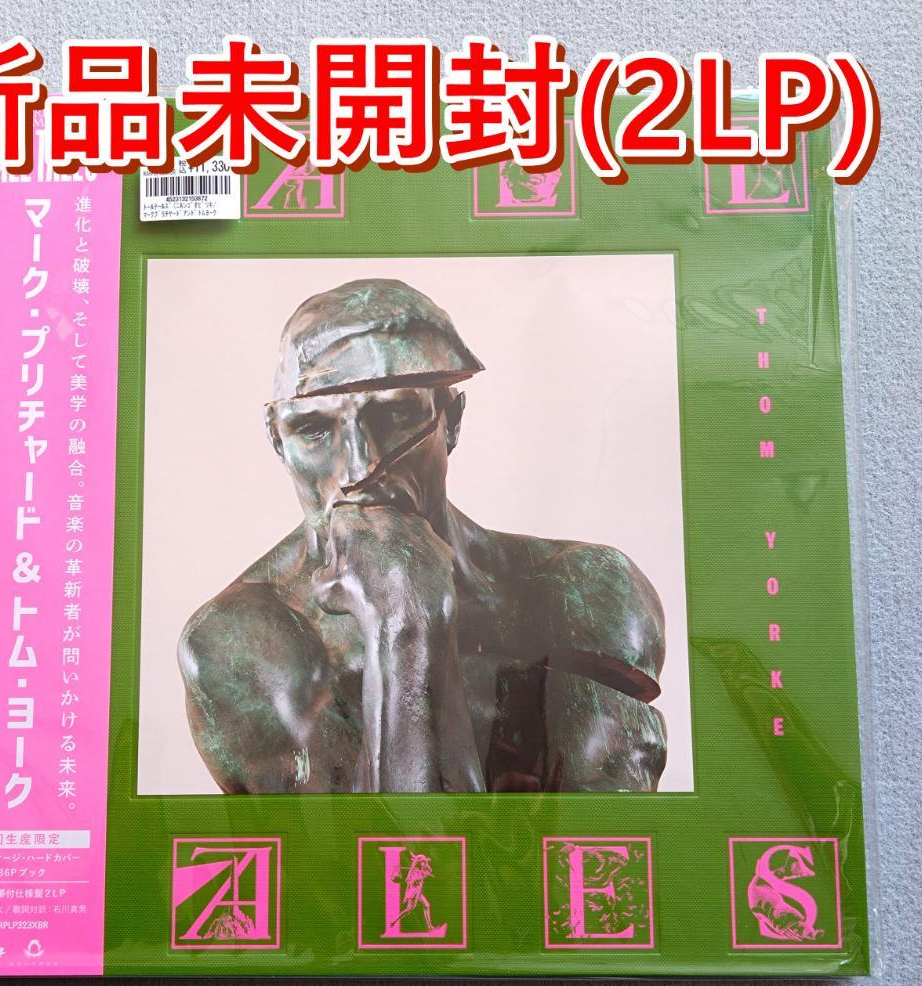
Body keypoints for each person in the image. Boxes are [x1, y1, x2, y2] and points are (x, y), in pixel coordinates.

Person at [179, 279, 667, 793]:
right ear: (277, 440)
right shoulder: (237, 644)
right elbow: (387, 845)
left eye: (394, 414)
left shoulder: (589, 591)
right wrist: (407, 625)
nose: (358, 469)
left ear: (451, 421)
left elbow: (593, 838)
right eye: (313, 429)